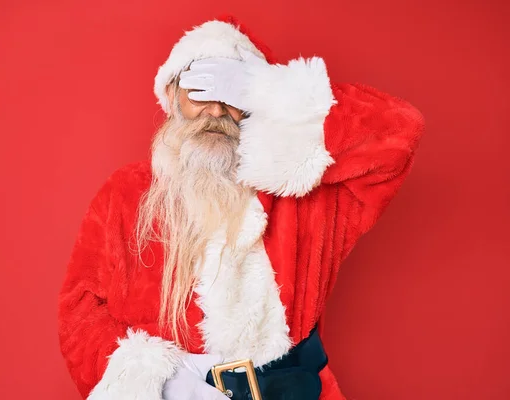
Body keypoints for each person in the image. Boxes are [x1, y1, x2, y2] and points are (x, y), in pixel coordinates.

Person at [57, 15, 424, 400]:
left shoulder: (304, 191)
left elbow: (399, 131)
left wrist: (271, 92)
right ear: (173, 95)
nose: (216, 111)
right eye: (200, 89)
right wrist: (161, 384)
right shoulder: (126, 193)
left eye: (231, 94)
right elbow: (79, 309)